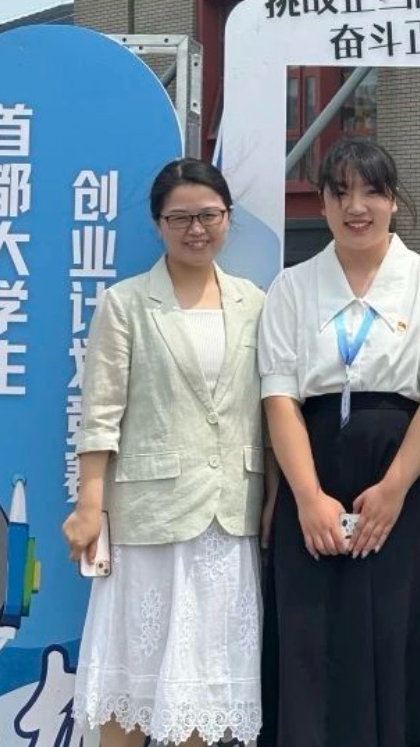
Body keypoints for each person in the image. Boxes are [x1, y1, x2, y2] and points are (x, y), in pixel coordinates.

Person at [258, 137, 420, 747]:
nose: (355, 207)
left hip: (405, 480)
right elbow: (279, 398)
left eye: (371, 192)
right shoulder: (291, 287)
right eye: (340, 193)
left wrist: (393, 490)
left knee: (402, 635)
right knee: (313, 646)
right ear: (322, 204)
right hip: (313, 478)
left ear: (394, 200)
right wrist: (306, 497)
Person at [64, 157, 267, 747]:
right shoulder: (125, 303)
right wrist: (88, 506)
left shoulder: (255, 302)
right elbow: (100, 413)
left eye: (209, 215)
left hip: (228, 520)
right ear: (158, 224)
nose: (196, 229)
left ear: (227, 218)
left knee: (202, 691)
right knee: (132, 682)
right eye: (180, 217)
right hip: (148, 522)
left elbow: (270, 410)